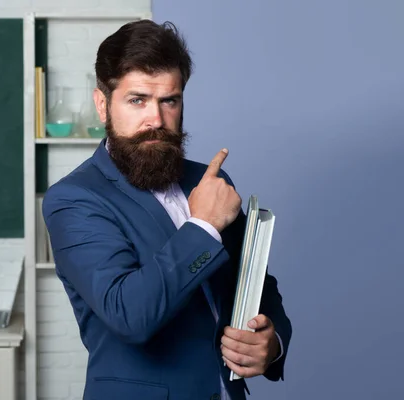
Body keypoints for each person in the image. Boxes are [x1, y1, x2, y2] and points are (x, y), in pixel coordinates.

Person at [42, 19, 292, 400]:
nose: (155, 120)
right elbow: (130, 315)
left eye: (169, 101)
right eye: (137, 100)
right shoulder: (74, 200)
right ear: (102, 105)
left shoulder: (208, 181)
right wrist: (203, 225)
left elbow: (258, 285)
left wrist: (270, 346)